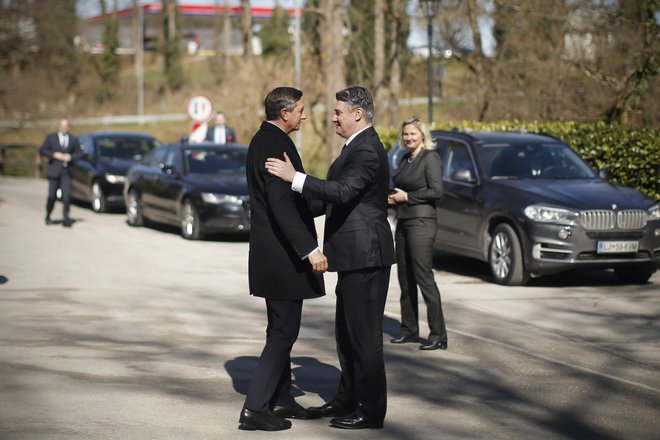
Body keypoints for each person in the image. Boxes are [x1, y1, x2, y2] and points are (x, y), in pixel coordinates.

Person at [265, 86, 395, 430]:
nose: (332, 117)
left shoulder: (367, 150)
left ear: (358, 113)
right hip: (354, 256)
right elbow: (331, 200)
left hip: (367, 255)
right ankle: (347, 398)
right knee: (347, 333)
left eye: (338, 112)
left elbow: (343, 191)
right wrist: (286, 201)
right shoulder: (353, 148)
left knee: (364, 337)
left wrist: (295, 178)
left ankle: (370, 410)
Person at [239, 87, 329, 431]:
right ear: (285, 112)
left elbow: (294, 197)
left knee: (281, 329)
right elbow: (282, 207)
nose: (305, 115)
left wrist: (333, 197)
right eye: (301, 110)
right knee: (282, 332)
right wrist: (311, 250)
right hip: (282, 258)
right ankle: (254, 408)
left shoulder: (264, 140)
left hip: (273, 256)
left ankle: (280, 399)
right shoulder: (275, 146)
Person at [388, 117, 448, 351]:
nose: (408, 138)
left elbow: (436, 191)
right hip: (403, 221)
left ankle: (437, 335)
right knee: (405, 279)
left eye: (413, 134)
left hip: (422, 223)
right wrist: (391, 198)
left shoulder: (430, 158)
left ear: (422, 135)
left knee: (423, 277)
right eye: (405, 134)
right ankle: (409, 330)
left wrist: (408, 198)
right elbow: (399, 186)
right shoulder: (405, 158)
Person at [39, 119, 80, 227]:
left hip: (67, 172)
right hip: (54, 171)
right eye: (62, 125)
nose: (64, 127)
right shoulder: (51, 137)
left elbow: (79, 153)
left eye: (66, 125)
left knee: (66, 196)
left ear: (68, 127)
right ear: (59, 126)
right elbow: (42, 150)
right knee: (51, 196)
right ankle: (48, 214)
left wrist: (71, 157)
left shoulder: (73, 139)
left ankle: (66, 218)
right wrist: (54, 155)